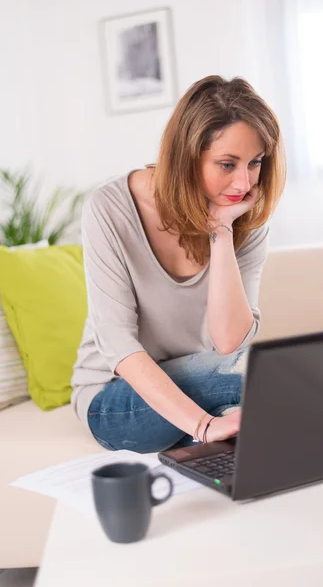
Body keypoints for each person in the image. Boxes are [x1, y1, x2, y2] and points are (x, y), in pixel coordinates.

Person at [71, 75, 286, 453]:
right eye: (226, 164)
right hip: (116, 400)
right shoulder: (109, 208)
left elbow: (228, 340)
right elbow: (118, 344)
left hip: (202, 385)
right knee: (257, 375)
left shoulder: (243, 219)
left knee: (261, 408)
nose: (244, 182)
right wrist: (203, 425)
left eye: (255, 163)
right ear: (187, 155)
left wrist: (221, 232)